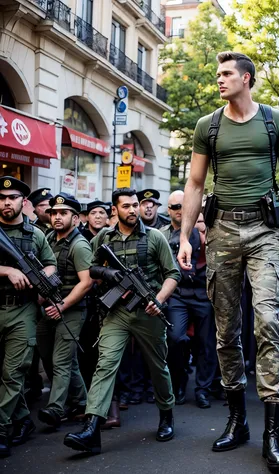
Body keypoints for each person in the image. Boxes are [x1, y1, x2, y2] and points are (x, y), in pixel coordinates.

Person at [177, 51, 279, 469]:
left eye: (227, 73)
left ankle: (272, 431)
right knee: (226, 330)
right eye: (218, 74)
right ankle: (237, 422)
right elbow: (194, 183)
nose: (219, 79)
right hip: (222, 231)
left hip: (266, 230)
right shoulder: (207, 126)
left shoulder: (274, 121)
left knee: (267, 320)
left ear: (246, 78)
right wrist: (186, 236)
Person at [63, 188, 181, 454]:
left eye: (135, 205)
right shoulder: (105, 237)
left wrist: (158, 300)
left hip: (147, 312)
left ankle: (166, 414)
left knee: (158, 367)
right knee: (105, 366)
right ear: (115, 210)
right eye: (126, 206)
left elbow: (173, 274)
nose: (132, 210)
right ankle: (92, 428)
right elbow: (91, 268)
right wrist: (109, 273)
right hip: (116, 312)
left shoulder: (154, 238)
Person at [0, 177, 57, 458]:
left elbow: (51, 265)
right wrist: (6, 271)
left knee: (14, 374)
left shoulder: (34, 234)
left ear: (24, 203)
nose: (6, 202)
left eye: (12, 198)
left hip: (23, 309)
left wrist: (41, 281)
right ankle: (22, 419)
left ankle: (0, 430)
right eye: (2, 197)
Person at [36, 194, 93, 428]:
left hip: (71, 310)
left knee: (61, 361)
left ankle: (56, 408)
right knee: (54, 359)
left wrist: (63, 306)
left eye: (63, 213)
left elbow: (86, 282)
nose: (57, 217)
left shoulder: (79, 245)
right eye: (54, 213)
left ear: (76, 218)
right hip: (48, 308)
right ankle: (81, 401)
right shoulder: (49, 238)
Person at [159, 191, 217, 408]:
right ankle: (179, 383)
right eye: (175, 207)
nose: (181, 210)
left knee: (206, 344)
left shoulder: (204, 231)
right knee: (175, 338)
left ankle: (203, 389)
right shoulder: (162, 235)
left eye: (185, 205)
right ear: (169, 210)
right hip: (178, 295)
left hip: (203, 294)